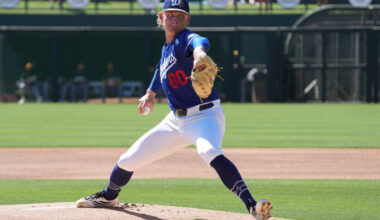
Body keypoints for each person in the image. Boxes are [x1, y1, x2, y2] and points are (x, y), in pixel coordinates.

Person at [76, 0, 272, 219]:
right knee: (128, 159)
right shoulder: (167, 48)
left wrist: (198, 53)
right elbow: (162, 67)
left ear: (187, 20)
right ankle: (109, 196)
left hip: (204, 116)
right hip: (175, 121)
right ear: (161, 18)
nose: (174, 20)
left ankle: (252, 205)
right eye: (170, 15)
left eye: (180, 16)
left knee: (209, 151)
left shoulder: (184, 40)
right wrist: (150, 94)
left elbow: (199, 40)